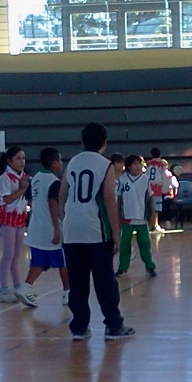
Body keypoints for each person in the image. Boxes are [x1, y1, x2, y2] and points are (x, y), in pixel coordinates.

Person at [59, 122, 134, 341]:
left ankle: (79, 327)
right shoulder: (105, 164)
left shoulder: (73, 162)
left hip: (71, 230)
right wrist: (116, 234)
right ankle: (113, 326)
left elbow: (62, 195)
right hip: (95, 229)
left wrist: (67, 220)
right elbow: (110, 200)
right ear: (104, 143)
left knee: (77, 282)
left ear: (82, 141)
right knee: (105, 280)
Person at [21, 148, 68, 308]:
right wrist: (57, 229)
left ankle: (26, 287)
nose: (61, 163)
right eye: (60, 160)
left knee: (39, 262)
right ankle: (68, 292)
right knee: (64, 262)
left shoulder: (36, 178)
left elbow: (31, 200)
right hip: (49, 229)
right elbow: (53, 204)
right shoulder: (54, 182)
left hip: (36, 228)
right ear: (54, 163)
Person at [0, 146, 31, 303]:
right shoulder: (5, 178)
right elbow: (7, 199)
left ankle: (17, 286)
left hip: (20, 216)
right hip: (8, 217)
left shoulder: (23, 176)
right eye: (18, 158)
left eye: (23, 158)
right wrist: (22, 189)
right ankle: (3, 290)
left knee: (17, 255)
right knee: (8, 254)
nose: (22, 162)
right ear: (9, 161)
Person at [116, 154, 156, 277]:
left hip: (142, 217)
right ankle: (123, 267)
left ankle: (149, 266)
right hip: (127, 217)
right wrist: (117, 216)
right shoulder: (122, 180)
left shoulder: (146, 179)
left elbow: (151, 198)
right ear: (128, 166)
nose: (138, 166)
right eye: (135, 164)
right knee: (124, 244)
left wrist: (153, 214)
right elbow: (119, 199)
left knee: (145, 243)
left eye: (140, 164)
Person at [146, 147, 170, 233]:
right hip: (157, 187)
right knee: (156, 208)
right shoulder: (162, 164)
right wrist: (166, 188)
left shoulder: (148, 164)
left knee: (150, 206)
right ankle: (154, 225)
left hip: (149, 186)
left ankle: (152, 224)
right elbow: (165, 175)